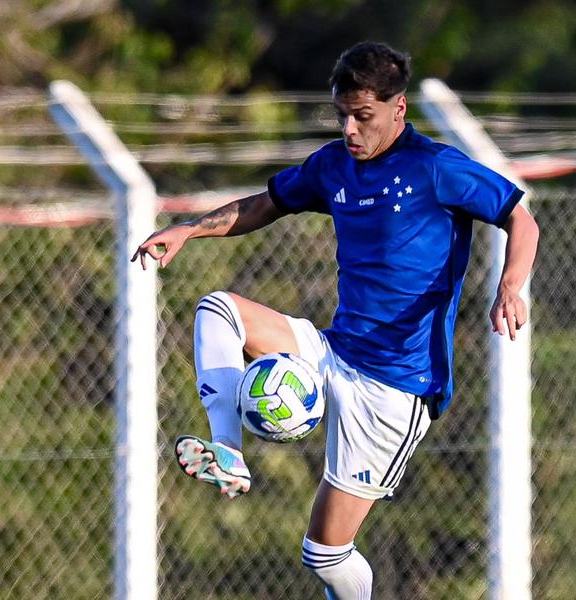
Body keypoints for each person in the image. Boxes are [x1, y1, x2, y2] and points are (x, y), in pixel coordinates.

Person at [131, 41, 539, 600]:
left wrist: (510, 286)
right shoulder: (333, 165)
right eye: (341, 114)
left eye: (362, 116)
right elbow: (264, 204)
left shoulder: (435, 168)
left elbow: (520, 219)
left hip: (396, 387)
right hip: (335, 351)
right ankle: (228, 450)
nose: (349, 129)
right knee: (218, 309)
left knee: (323, 554)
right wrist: (189, 229)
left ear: (398, 108)